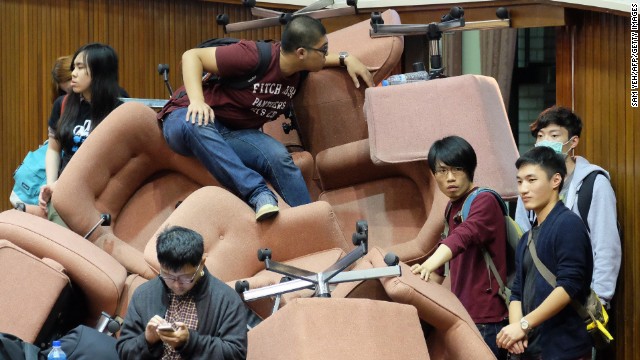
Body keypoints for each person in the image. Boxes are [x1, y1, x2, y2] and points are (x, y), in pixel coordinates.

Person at [158, 15, 374, 221]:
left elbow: (323, 59)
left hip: (232, 133)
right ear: (301, 53)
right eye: (323, 50)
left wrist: (347, 58)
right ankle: (257, 193)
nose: (327, 55)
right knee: (197, 122)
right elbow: (191, 56)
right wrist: (196, 100)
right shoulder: (253, 55)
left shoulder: (300, 69)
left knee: (278, 155)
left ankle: (315, 223)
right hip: (185, 118)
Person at [410, 135, 509, 359]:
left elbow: (463, 236)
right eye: (442, 171)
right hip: (465, 314)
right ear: (434, 175)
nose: (450, 177)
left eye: (457, 169)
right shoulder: (452, 207)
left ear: (470, 169)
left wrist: (429, 263)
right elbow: (437, 272)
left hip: (489, 318)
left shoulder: (484, 200)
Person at [514, 106, 620, 308]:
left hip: (579, 300)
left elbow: (606, 247)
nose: (545, 142)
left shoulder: (593, 183)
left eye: (554, 135)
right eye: (540, 136)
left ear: (573, 142)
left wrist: (599, 300)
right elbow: (523, 239)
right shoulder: (530, 185)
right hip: (538, 298)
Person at [497, 146, 593, 359]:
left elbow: (569, 286)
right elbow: (517, 292)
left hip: (564, 349)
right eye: (520, 181)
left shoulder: (568, 224)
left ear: (555, 180)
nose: (523, 189)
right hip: (533, 348)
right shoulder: (527, 238)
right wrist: (517, 332)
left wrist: (523, 324)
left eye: (531, 180)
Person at [116, 226, 247, 360]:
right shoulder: (144, 294)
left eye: (185, 277)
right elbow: (124, 350)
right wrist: (147, 340)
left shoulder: (227, 300)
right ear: (160, 265)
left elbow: (236, 354)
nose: (177, 285)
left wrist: (189, 342)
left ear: (201, 263)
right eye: (168, 276)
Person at [38, 43, 125, 226]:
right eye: (73, 68)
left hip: (102, 195)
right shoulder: (62, 104)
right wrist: (52, 184)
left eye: (80, 67)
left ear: (99, 71)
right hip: (64, 192)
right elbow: (54, 150)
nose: (73, 74)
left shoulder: (119, 108)